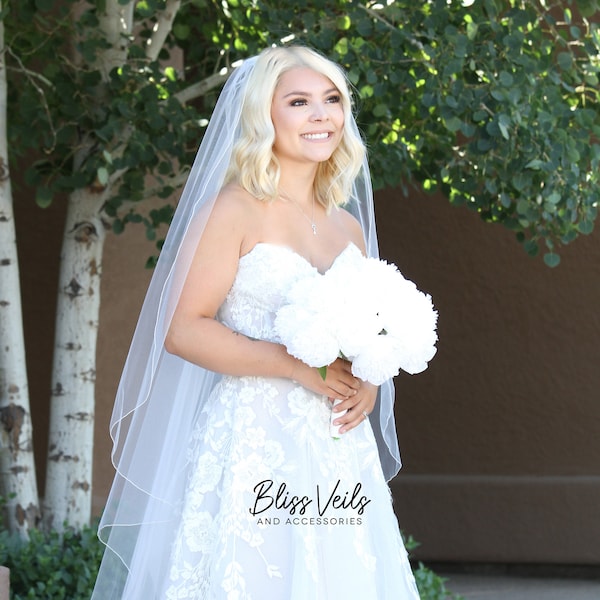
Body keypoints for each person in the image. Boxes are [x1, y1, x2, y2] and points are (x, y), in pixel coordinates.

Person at [92, 45, 420, 599]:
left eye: (332, 99)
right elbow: (183, 328)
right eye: (299, 101)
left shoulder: (347, 227)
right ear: (263, 116)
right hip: (255, 439)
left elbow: (362, 331)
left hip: (337, 445)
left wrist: (367, 379)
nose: (322, 115)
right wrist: (293, 367)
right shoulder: (234, 209)